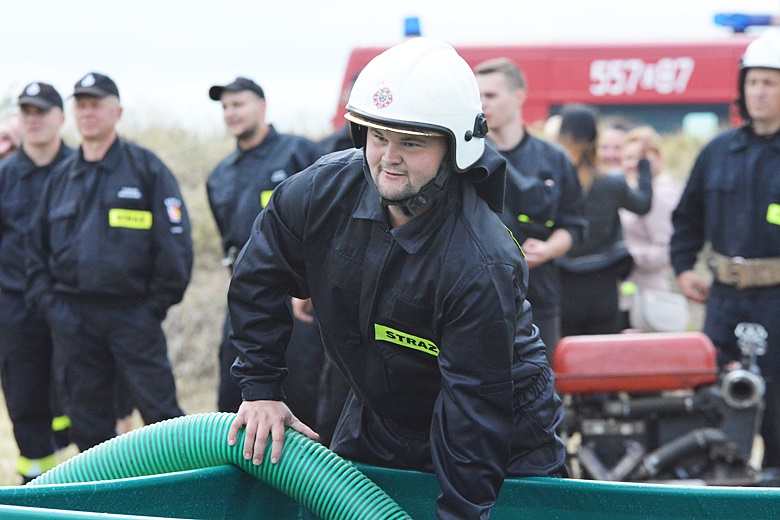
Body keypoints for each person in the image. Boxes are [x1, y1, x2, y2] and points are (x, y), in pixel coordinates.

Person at [226, 37, 566, 518]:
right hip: (382, 414)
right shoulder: (318, 192)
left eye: (411, 142)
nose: (388, 157)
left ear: (455, 149)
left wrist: (461, 514)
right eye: (378, 136)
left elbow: (473, 413)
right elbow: (257, 279)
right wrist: (260, 390)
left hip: (504, 437)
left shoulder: (479, 261)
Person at [25, 72, 193, 452]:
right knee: (87, 423)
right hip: (74, 320)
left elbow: (176, 248)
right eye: (81, 105)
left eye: (95, 104)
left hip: (133, 316)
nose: (87, 112)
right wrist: (54, 310)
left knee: (162, 417)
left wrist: (150, 309)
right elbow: (34, 254)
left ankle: (178, 497)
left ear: (117, 112)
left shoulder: (146, 170)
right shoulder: (61, 177)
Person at [671, 28, 780, 470]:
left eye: (770, 82)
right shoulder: (717, 151)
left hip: (777, 303)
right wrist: (682, 267)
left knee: (776, 414)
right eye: (753, 81)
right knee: (714, 403)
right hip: (724, 304)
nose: (759, 91)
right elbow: (686, 217)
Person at [206, 77, 323, 416]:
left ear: (262, 105)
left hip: (299, 300)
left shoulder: (300, 154)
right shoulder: (220, 175)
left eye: (238, 104)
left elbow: (330, 222)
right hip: (246, 300)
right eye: (225, 107)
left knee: (304, 395)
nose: (231, 113)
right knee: (234, 396)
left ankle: (310, 469)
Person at [474, 57, 587, 357]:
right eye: (477, 96)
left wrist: (547, 250)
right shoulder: (466, 157)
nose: (482, 103)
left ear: (518, 96)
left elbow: (574, 224)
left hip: (539, 295)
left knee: (539, 388)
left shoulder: (553, 158)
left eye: (491, 95)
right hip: (476, 296)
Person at [0, 82, 74, 483]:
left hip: (72, 309)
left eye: (41, 111)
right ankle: (36, 488)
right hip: (15, 310)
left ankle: (88, 485)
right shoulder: (5, 175)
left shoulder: (81, 170)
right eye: (26, 111)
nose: (33, 119)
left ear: (61, 118)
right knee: (25, 402)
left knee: (79, 400)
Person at [555, 104, 652, 336]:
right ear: (595, 138)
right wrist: (644, 164)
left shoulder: (553, 182)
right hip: (604, 290)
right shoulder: (610, 184)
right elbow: (643, 204)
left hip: (561, 287)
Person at [618, 126, 683, 329]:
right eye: (627, 157)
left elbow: (666, 250)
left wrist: (627, 255)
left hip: (647, 297)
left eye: (640, 157)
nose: (633, 164)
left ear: (658, 158)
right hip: (628, 294)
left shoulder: (660, 195)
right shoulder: (630, 189)